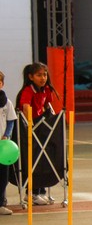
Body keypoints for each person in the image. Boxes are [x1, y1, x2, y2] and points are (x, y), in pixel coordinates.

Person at [16, 62, 58, 205]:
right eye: (39, 75)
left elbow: (48, 107)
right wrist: (30, 126)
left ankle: (41, 191)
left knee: (43, 159)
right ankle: (31, 193)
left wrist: (53, 122)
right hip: (30, 129)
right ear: (31, 77)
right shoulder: (28, 90)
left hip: (42, 128)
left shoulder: (46, 89)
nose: (43, 78)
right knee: (32, 160)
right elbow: (25, 107)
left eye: (45, 75)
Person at [0, 70, 17, 215]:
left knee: (2, 177)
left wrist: (6, 135)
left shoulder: (6, 102)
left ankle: (1, 203)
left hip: (3, 147)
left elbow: (10, 121)